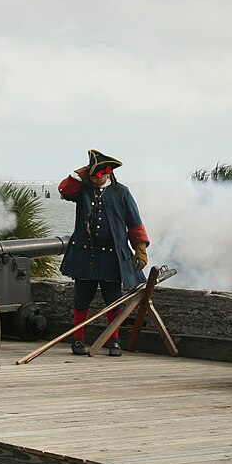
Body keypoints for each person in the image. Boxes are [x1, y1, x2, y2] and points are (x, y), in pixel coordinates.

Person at [58, 149, 150, 357]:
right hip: (85, 255)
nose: (96, 179)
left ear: (108, 174)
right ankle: (78, 340)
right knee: (81, 300)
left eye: (99, 175)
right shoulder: (82, 189)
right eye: (92, 175)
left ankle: (114, 340)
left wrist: (140, 249)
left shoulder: (122, 192)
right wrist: (79, 174)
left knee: (113, 301)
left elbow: (134, 223)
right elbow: (65, 191)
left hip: (112, 257)